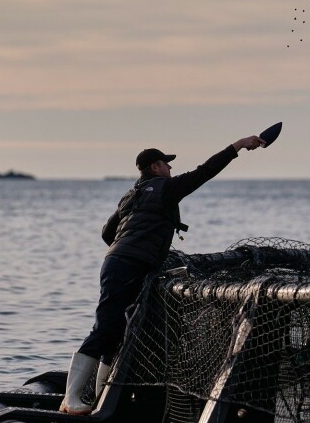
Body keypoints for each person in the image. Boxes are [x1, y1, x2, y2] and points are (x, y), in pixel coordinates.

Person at [60, 135, 266, 414]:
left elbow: (107, 233)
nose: (170, 170)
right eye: (166, 165)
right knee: (106, 328)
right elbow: (205, 172)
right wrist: (236, 147)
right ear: (156, 167)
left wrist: (129, 247)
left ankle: (99, 399)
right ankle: (70, 400)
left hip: (118, 263)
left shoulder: (130, 195)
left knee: (119, 332)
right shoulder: (165, 188)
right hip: (128, 265)